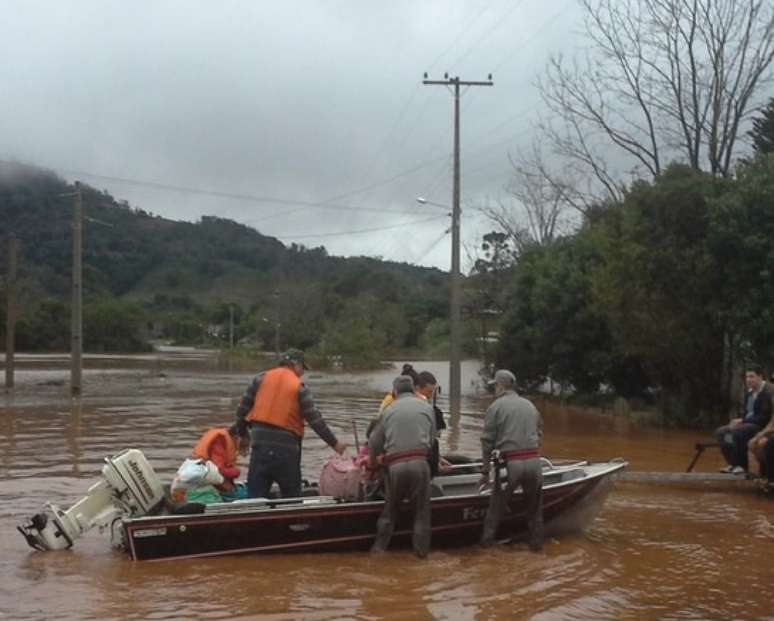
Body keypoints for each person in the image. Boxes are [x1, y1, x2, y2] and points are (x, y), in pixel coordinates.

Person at [235, 348, 346, 498]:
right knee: (291, 498)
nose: (303, 373)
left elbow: (242, 410)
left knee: (255, 498)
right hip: (286, 452)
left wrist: (242, 434)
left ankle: (254, 520)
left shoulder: (260, 379)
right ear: (295, 364)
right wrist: (335, 444)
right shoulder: (299, 388)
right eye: (302, 368)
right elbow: (316, 421)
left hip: (259, 448)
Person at [368, 375, 436, 558]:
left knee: (389, 513)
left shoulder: (388, 411)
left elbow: (374, 442)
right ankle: (421, 557)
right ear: (414, 390)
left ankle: (378, 553)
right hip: (420, 465)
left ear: (395, 392)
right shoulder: (426, 407)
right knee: (421, 515)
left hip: (395, 467)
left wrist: (372, 463)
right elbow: (431, 440)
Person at [479, 369, 544, 552]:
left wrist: (485, 471)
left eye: (495, 386)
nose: (494, 390)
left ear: (500, 386)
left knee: (495, 511)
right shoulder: (530, 405)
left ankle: (486, 549)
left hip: (510, 465)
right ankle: (537, 548)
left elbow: (487, 441)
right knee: (535, 511)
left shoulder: (496, 407)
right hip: (534, 462)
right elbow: (539, 433)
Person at [714, 365, 772, 474]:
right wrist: (740, 420)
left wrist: (742, 421)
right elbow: (748, 413)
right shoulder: (750, 393)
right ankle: (733, 463)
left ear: (760, 377)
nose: (748, 380)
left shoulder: (768, 392)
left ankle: (742, 466)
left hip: (762, 426)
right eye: (747, 377)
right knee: (722, 433)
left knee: (737, 432)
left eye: (751, 376)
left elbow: (764, 417)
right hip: (748, 424)